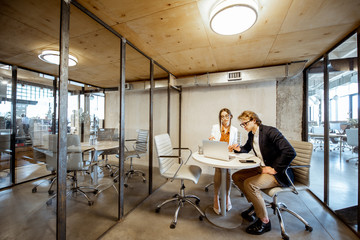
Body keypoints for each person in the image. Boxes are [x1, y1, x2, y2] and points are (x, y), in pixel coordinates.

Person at [229, 110, 296, 235]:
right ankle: (256, 206)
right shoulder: (252, 134)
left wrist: (275, 168)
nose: (244, 126)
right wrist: (238, 149)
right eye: (242, 124)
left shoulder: (270, 132)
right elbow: (247, 148)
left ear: (254, 120)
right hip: (262, 168)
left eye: (245, 123)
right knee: (237, 176)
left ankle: (265, 221)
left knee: (250, 184)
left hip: (278, 174)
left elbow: (289, 152)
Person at [209, 108, 238, 214]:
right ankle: (216, 197)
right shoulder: (215, 127)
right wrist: (211, 140)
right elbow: (213, 140)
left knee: (228, 172)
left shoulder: (235, 130)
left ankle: (226, 196)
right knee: (218, 169)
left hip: (228, 154)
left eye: (226, 116)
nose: (224, 118)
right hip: (218, 153)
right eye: (222, 116)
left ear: (230, 116)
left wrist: (234, 147)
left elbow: (236, 144)